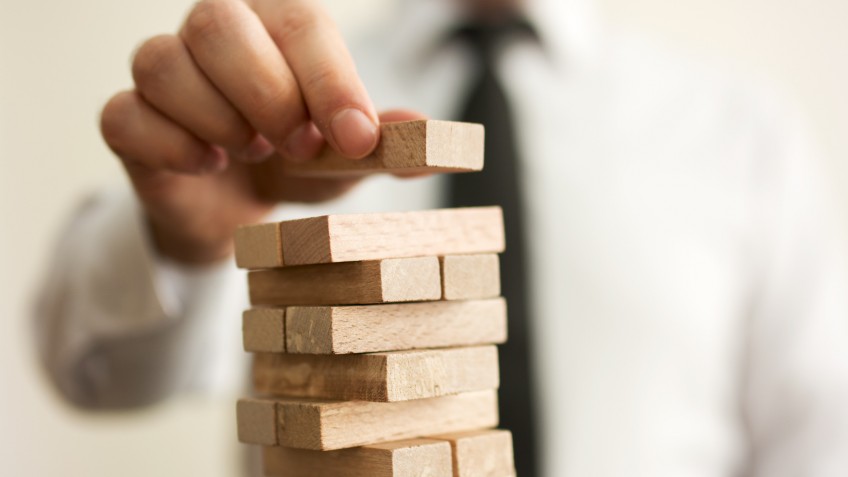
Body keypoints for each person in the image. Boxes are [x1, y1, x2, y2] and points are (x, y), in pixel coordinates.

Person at [33, 0, 848, 475]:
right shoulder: (278, 104)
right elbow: (90, 370)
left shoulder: (743, 132)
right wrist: (186, 238)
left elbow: (819, 443)